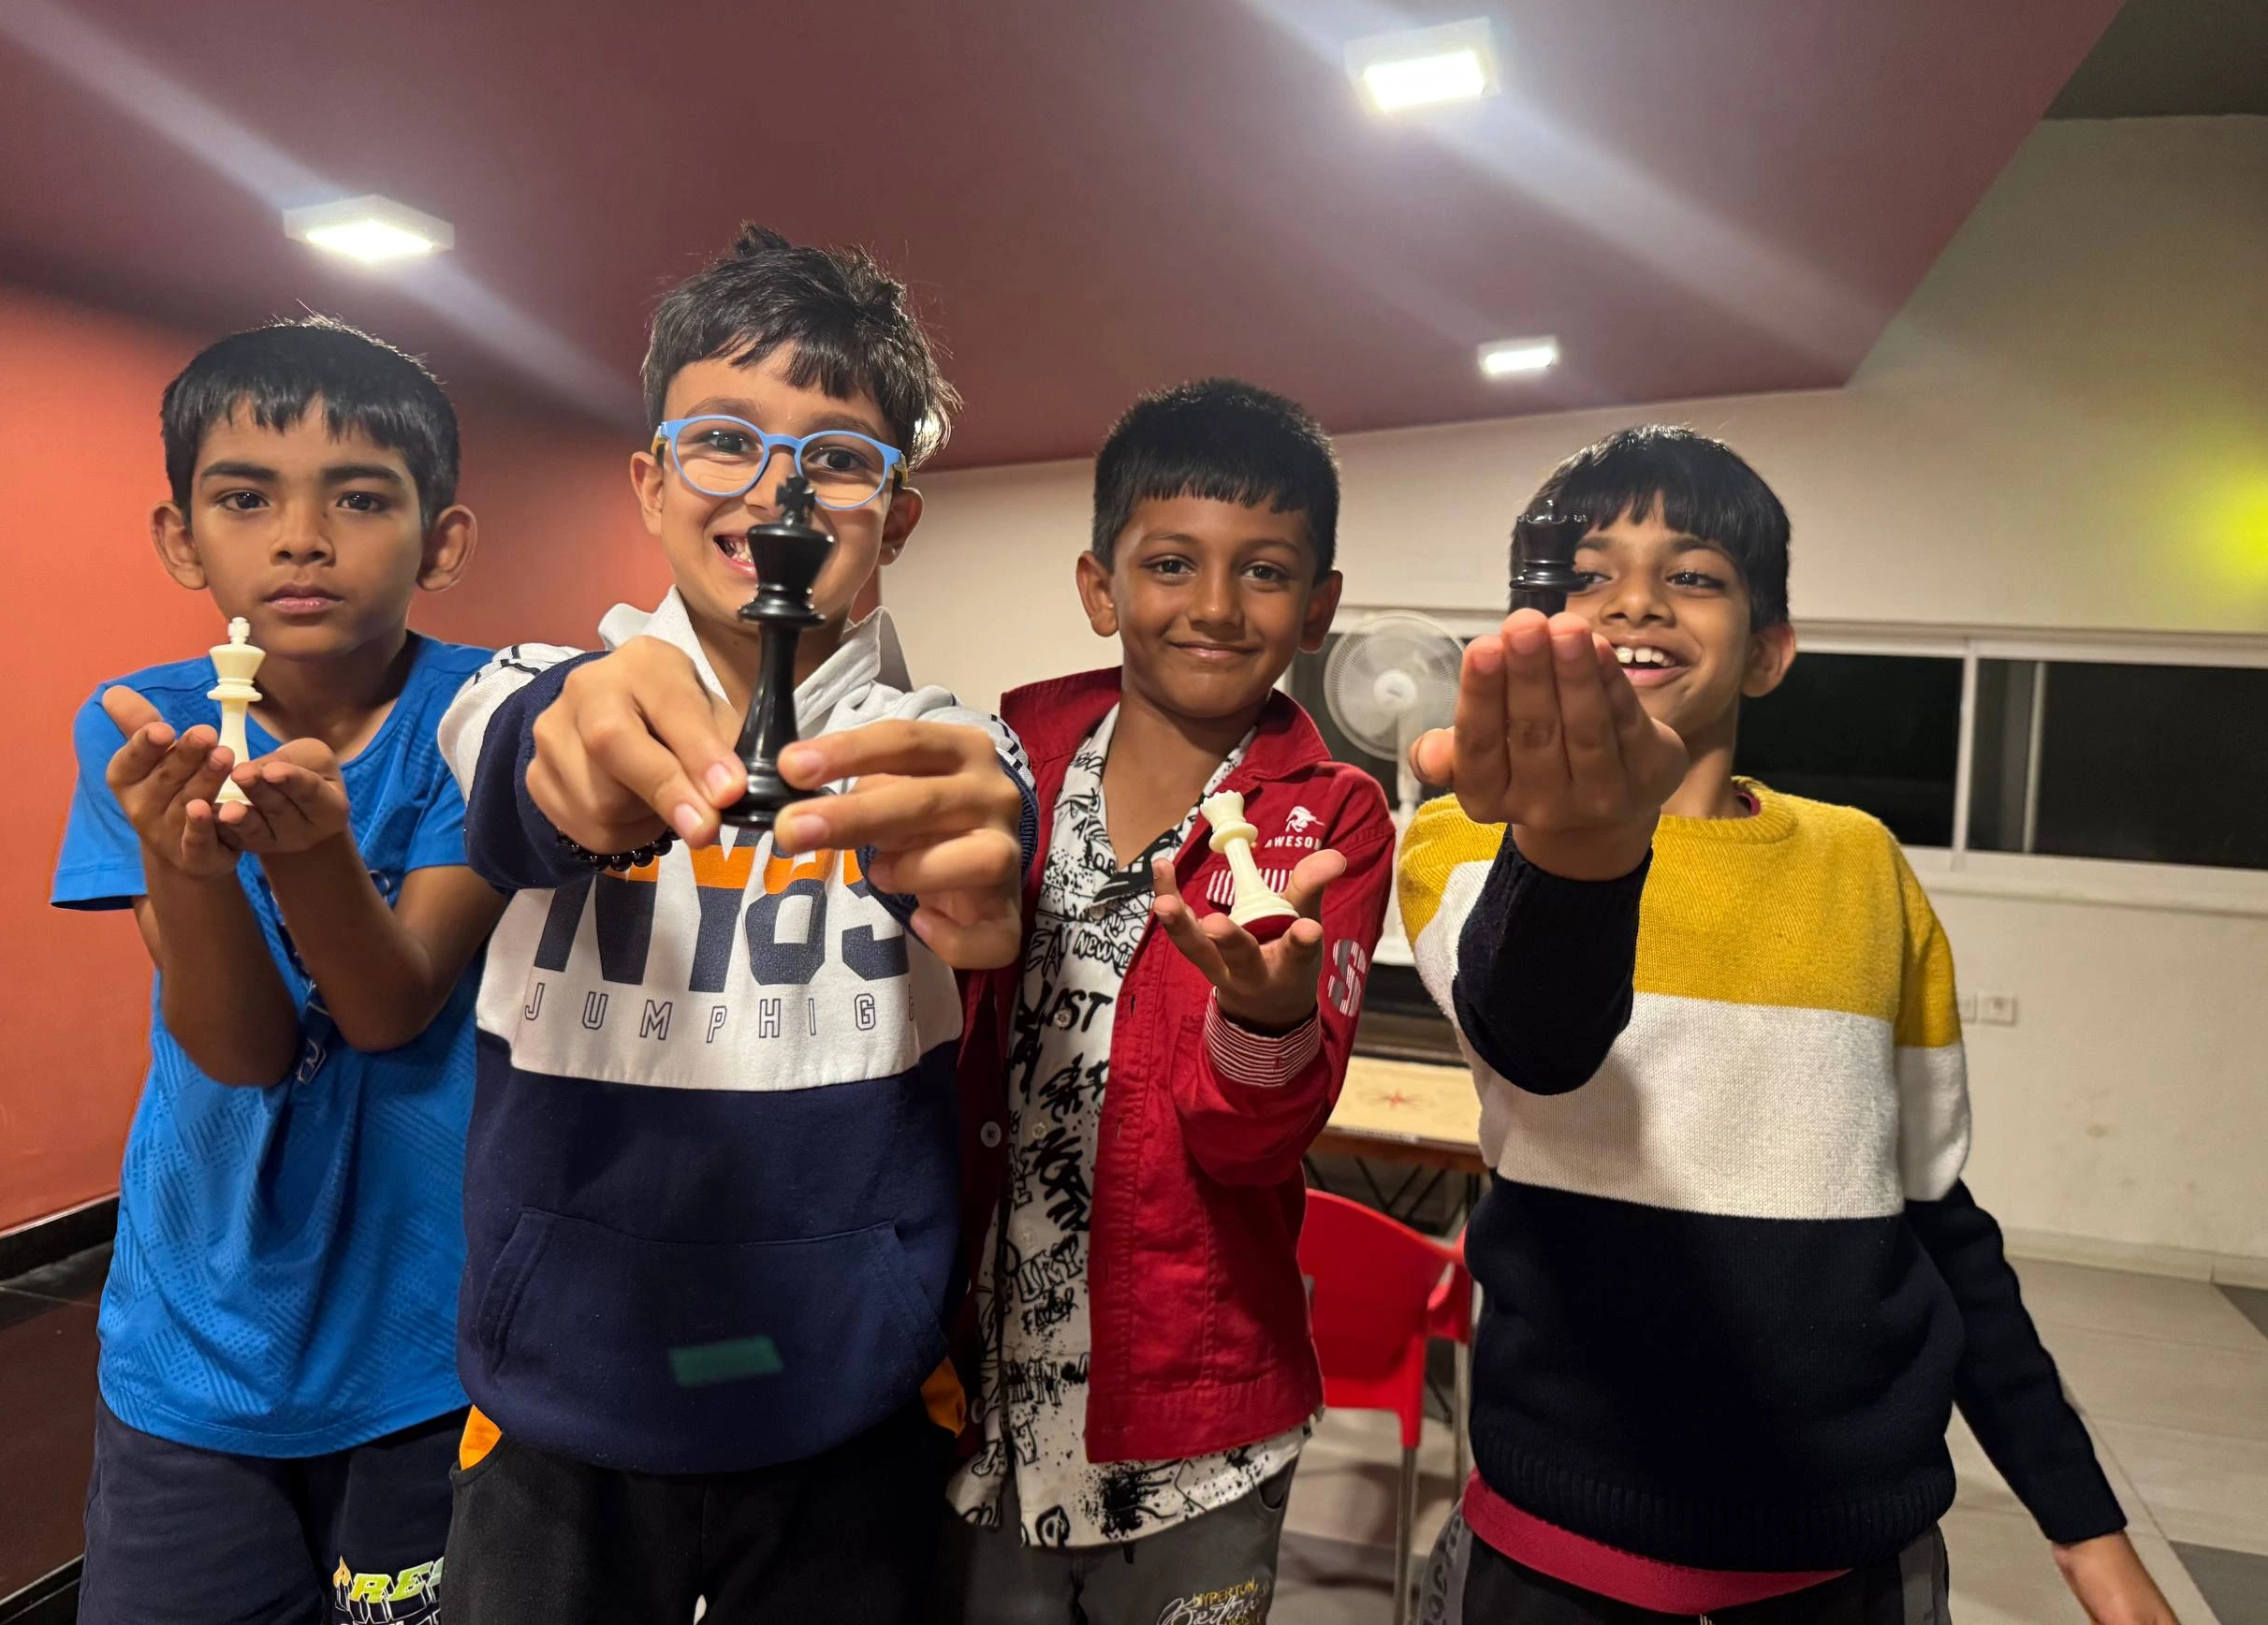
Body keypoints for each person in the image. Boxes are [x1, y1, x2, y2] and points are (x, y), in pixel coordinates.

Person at [1399, 426, 2178, 1625]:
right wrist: (1580, 852)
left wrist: (2086, 1531)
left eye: (1694, 575)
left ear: (1768, 652)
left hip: (1848, 1562)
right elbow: (1535, 1038)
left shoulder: (1861, 864)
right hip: (1555, 1555)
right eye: (1589, 574)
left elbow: (1937, 1222)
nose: (1636, 602)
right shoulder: (1467, 834)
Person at [433, 224, 1035, 1625]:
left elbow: (972, 819)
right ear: (650, 483)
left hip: (848, 1406)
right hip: (555, 1410)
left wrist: (970, 860)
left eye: (837, 458)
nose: (778, 491)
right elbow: (521, 758)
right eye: (725, 440)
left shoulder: (940, 741)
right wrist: (571, 756)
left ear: (897, 512)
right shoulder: (532, 687)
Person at [51, 319, 504, 1625]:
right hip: (193, 1347)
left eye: (361, 498)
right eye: (245, 498)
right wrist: (187, 865)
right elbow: (244, 1049)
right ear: (182, 537)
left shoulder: (486, 718)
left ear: (443, 539)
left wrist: (310, 860)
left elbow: (390, 1000)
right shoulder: (136, 724)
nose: (302, 537)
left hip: (428, 1350)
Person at [939, 379, 1395, 1624]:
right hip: (971, 1394)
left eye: (1262, 572)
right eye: (1172, 563)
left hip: (1196, 1419)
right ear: (1101, 586)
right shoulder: (1008, 753)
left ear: (1319, 607)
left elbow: (1252, 1143)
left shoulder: (1331, 820)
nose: (1211, 606)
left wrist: (1261, 1017)